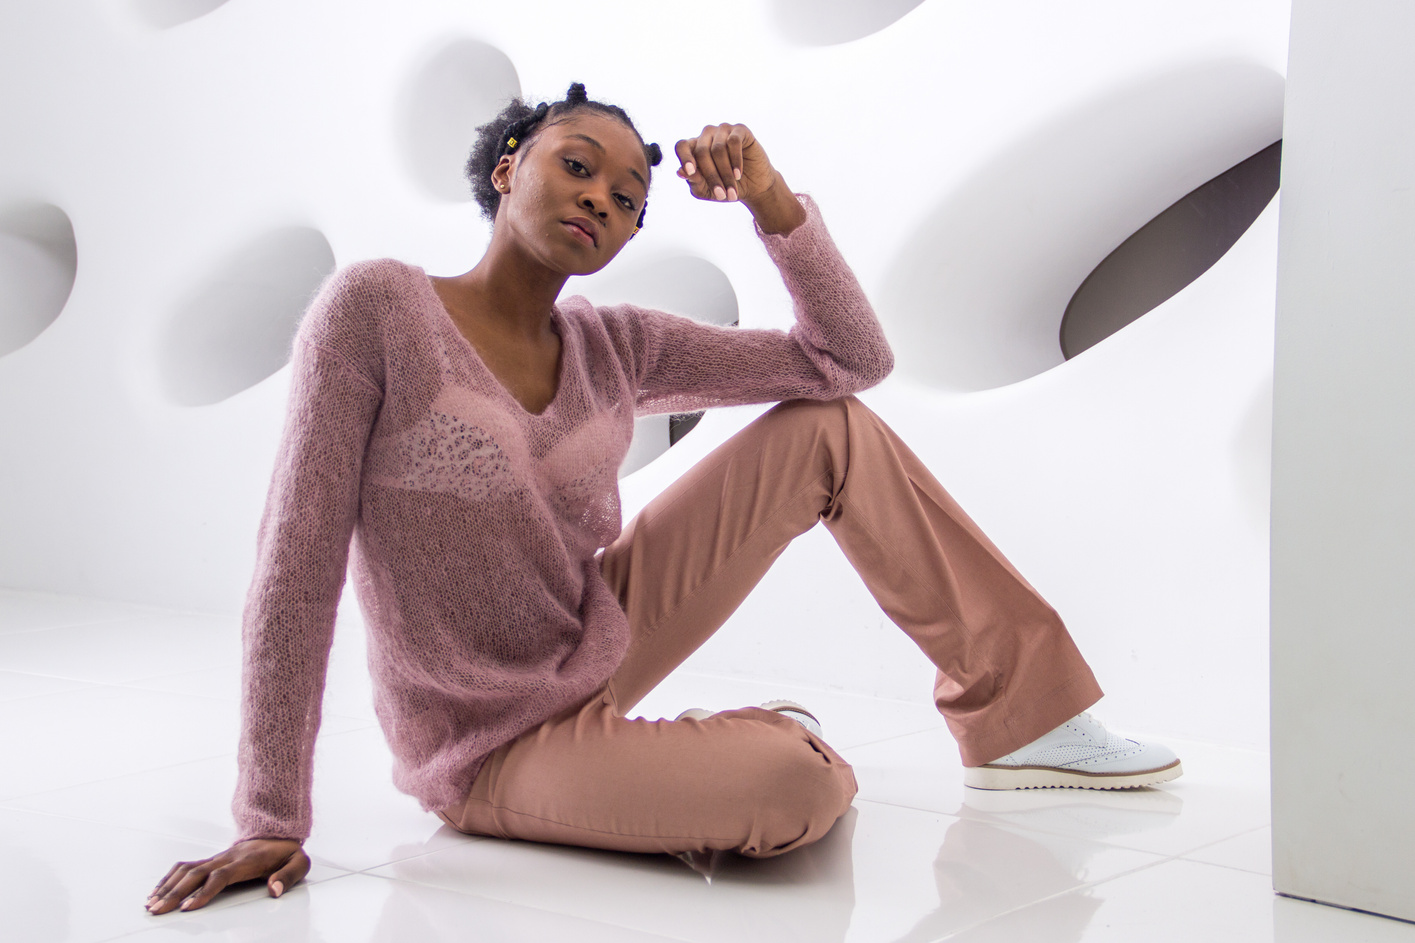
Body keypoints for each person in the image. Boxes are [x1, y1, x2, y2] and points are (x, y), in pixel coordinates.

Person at [145, 82, 1181, 916]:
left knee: (827, 433)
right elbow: (296, 562)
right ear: (509, 169)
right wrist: (269, 814)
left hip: (600, 629)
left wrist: (773, 204)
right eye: (577, 165)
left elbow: (847, 362)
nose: (602, 197)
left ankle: (1021, 715)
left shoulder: (615, 343)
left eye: (630, 196)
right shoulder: (378, 308)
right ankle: (737, 741)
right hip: (488, 739)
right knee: (795, 788)